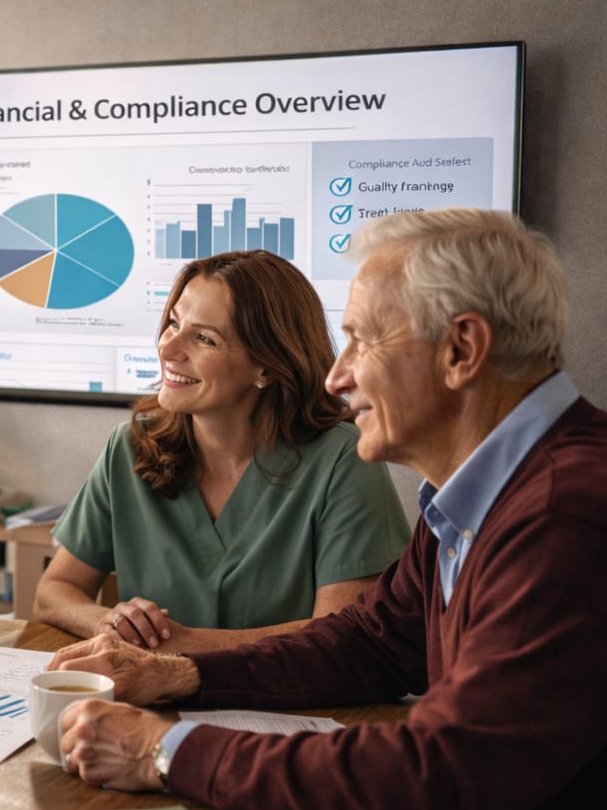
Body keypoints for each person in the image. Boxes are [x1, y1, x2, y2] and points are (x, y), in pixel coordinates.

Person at [52, 209, 607, 810]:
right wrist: (175, 673)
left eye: (361, 341)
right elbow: (369, 642)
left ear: (461, 351)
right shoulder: (486, 496)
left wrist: (168, 752)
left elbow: (438, 779)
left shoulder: (562, 514)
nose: (336, 375)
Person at [34, 249, 409, 653]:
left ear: (266, 365)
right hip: (146, 700)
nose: (168, 348)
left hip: (290, 707)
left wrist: (188, 646)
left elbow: (342, 637)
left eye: (203, 338)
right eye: (174, 324)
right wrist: (107, 622)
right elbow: (55, 590)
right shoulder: (128, 447)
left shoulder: (343, 459)